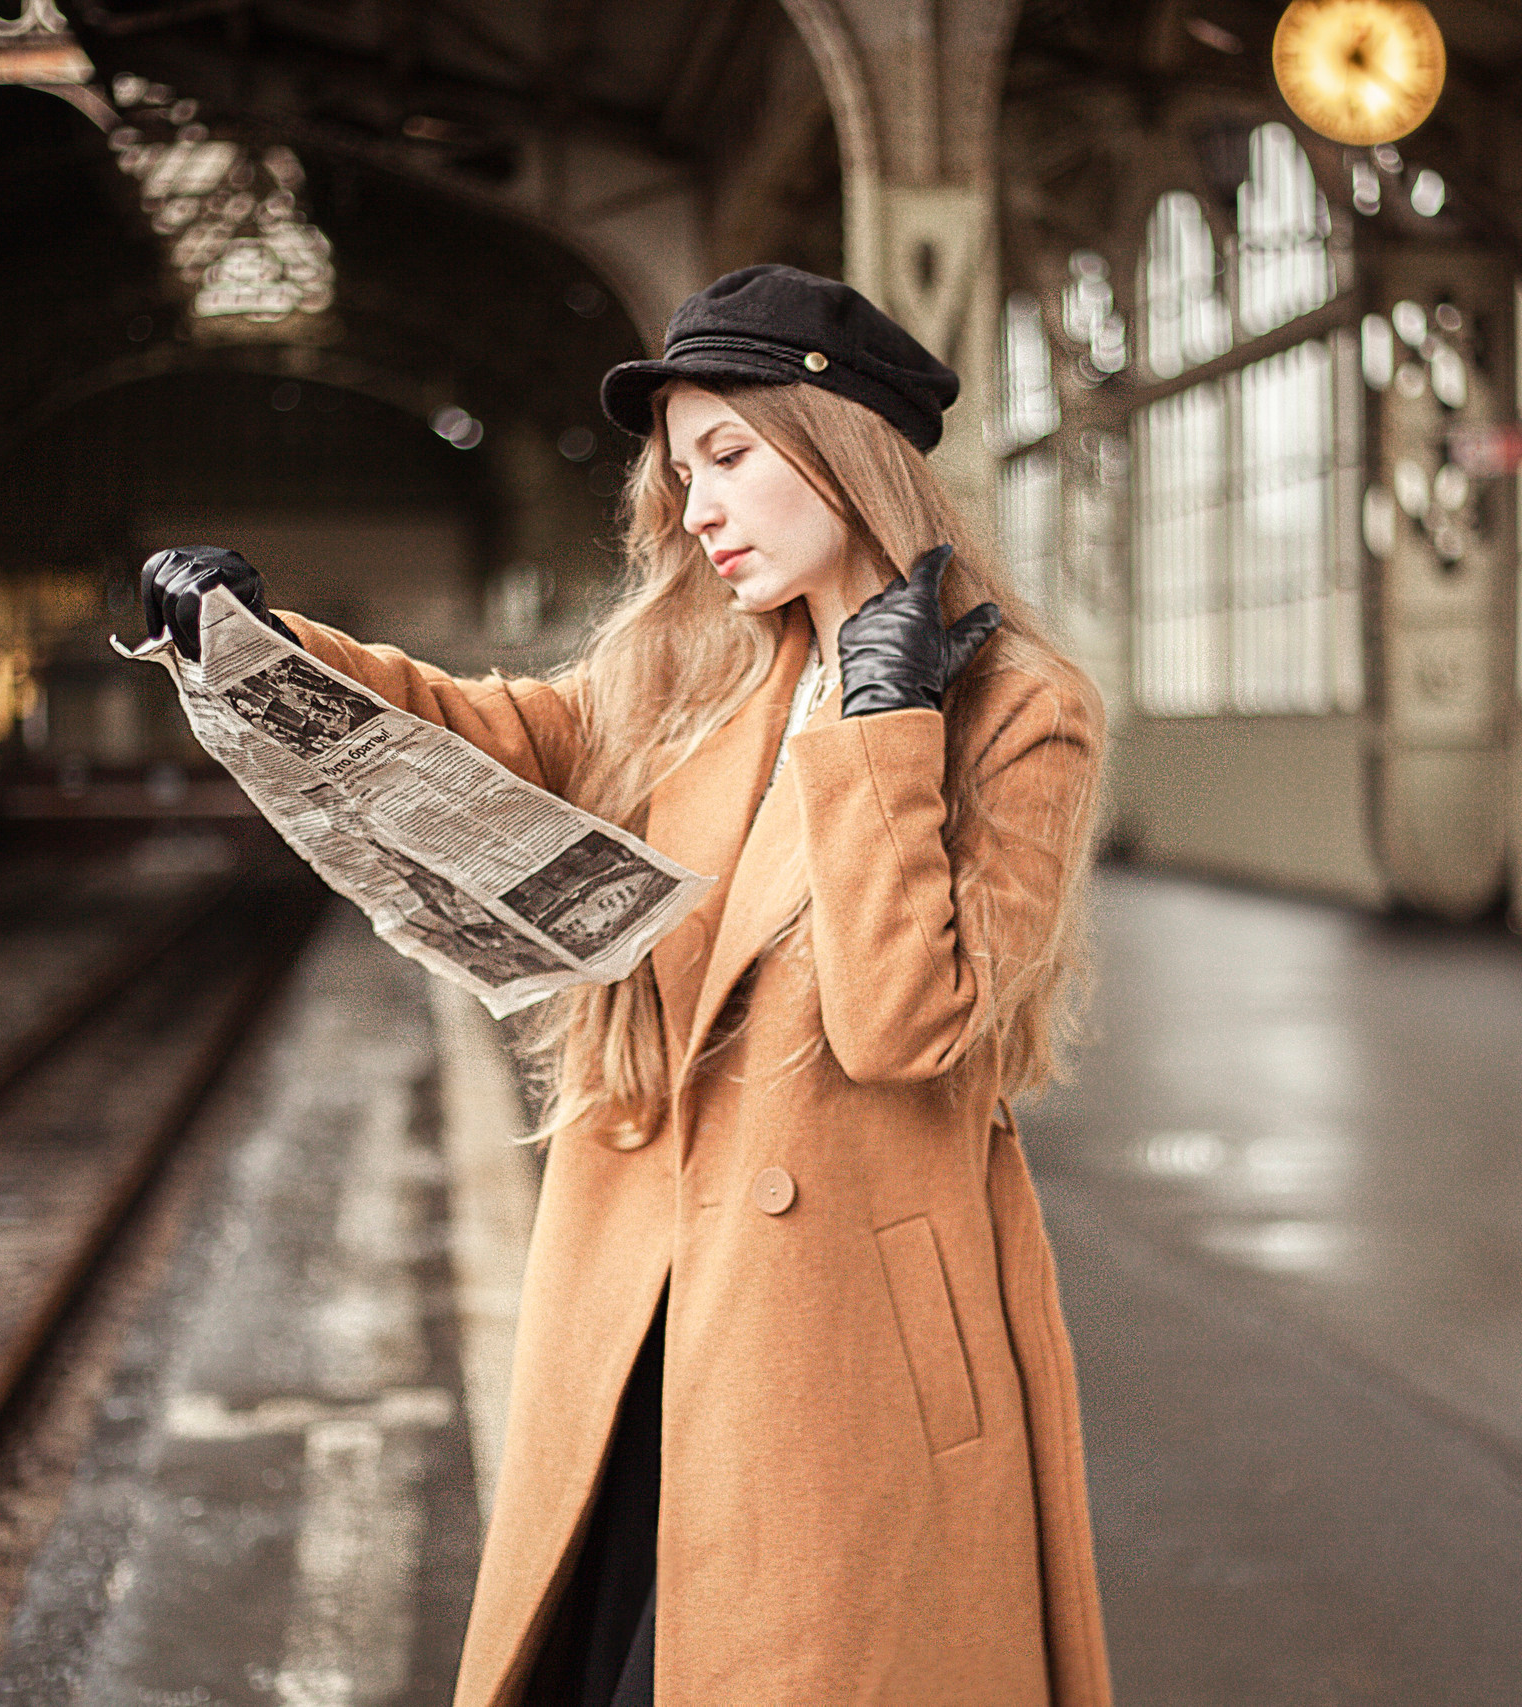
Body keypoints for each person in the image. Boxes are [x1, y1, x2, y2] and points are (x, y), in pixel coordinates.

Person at [140, 264, 1113, 1707]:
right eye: (681, 473)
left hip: (843, 1352)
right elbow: (484, 735)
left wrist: (886, 719)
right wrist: (263, 645)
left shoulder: (1020, 710)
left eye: (730, 457)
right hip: (643, 1300)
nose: (696, 509)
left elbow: (902, 1026)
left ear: (839, 444)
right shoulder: (683, 672)